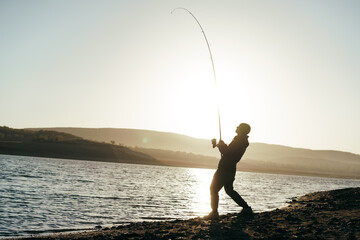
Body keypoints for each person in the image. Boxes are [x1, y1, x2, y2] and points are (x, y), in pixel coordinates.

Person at [204, 123, 252, 220]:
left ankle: (214, 213)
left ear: (242, 130)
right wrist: (221, 145)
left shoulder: (238, 141)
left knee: (213, 189)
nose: (236, 128)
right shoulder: (242, 141)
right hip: (231, 169)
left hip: (224, 169)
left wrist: (221, 146)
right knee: (229, 190)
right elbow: (230, 152)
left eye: (238, 127)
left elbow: (227, 153)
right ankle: (246, 208)